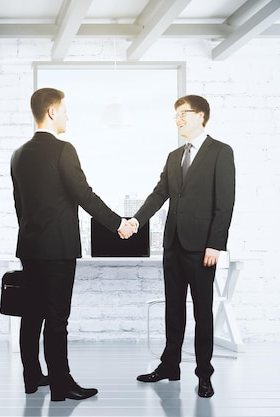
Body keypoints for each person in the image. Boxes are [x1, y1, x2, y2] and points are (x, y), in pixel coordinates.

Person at [10, 88, 135, 402]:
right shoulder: (63, 150)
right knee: (56, 319)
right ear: (51, 111)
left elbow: (19, 205)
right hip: (59, 248)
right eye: (64, 110)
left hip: (29, 247)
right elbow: (84, 195)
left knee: (31, 314)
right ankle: (61, 386)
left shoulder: (18, 154)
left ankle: (32, 377)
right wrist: (119, 223)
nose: (68, 115)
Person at [127, 95, 235, 398]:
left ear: (201, 115)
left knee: (203, 312)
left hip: (202, 249)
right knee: (173, 310)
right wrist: (135, 222)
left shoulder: (220, 152)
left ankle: (204, 374)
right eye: (175, 115)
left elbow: (225, 203)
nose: (178, 119)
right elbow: (159, 193)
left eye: (183, 113)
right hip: (173, 245)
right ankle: (169, 366)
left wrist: (215, 245)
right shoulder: (174, 156)